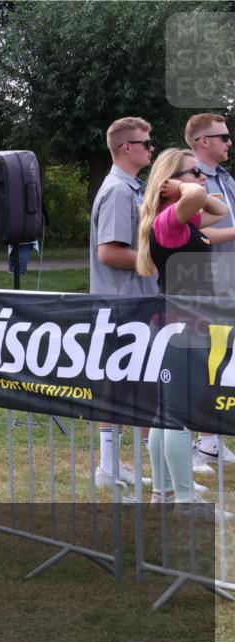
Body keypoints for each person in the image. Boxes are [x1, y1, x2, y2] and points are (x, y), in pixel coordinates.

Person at [135, 147, 233, 508]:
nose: (203, 178)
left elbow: (221, 212)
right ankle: (186, 500)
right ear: (169, 183)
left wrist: (193, 190)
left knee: (167, 414)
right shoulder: (169, 221)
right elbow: (197, 197)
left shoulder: (180, 220)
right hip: (183, 325)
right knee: (178, 414)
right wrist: (183, 188)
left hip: (181, 322)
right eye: (196, 172)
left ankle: (164, 492)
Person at [89, 117, 158, 491]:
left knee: (142, 384)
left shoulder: (134, 187)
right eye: (146, 143)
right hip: (122, 304)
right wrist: (157, 258)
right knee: (116, 383)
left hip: (137, 301)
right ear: (125, 148)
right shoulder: (118, 190)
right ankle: (108, 466)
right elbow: (109, 253)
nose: (151, 148)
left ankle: (132, 465)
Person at [185, 113, 235, 468]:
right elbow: (193, 234)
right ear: (204, 141)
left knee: (222, 359)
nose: (229, 142)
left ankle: (212, 439)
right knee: (201, 359)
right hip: (201, 281)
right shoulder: (188, 181)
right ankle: (196, 442)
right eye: (224, 137)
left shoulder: (226, 179)